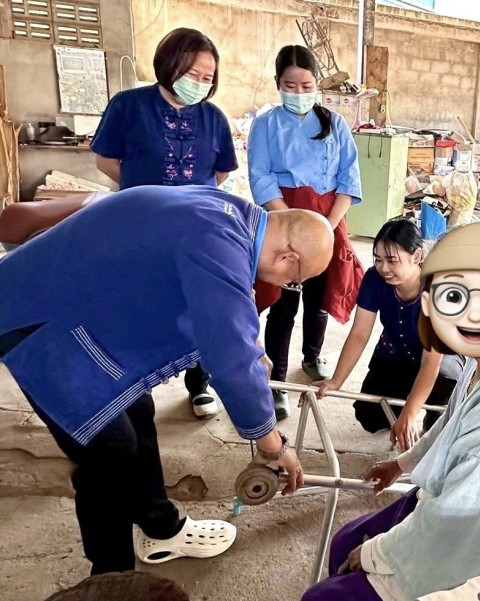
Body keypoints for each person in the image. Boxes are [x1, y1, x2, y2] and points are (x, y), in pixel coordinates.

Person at [0, 185, 333, 576]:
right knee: (109, 450)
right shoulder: (218, 242)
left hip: (67, 299)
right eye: (295, 281)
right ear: (288, 258)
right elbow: (230, 361)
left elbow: (228, 314)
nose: (289, 286)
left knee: (137, 407)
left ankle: (161, 528)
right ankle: (110, 578)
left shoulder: (229, 215)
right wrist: (273, 446)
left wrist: (248, 345)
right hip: (36, 318)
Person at [302, 223, 480, 601]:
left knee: (323, 595)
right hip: (468, 505)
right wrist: (401, 464)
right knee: (344, 543)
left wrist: (376, 553)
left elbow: (458, 525)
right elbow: (453, 421)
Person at [91, 27, 237, 419]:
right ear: (169, 64)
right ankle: (133, 389)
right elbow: (106, 159)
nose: (199, 84)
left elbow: (221, 171)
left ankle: (199, 384)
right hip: (138, 226)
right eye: (192, 74)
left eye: (207, 78)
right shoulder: (128, 106)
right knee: (138, 304)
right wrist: (144, 193)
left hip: (196, 231)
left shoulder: (213, 118)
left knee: (198, 305)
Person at [247, 44, 363, 420]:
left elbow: (348, 179)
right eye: (290, 85)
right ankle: (277, 383)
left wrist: (326, 227)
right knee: (283, 303)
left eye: (306, 85)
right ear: (278, 83)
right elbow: (261, 177)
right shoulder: (266, 124)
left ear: (317, 84)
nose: (298, 92)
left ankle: (312, 356)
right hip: (284, 220)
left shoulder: (335, 123)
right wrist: (291, 225)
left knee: (319, 296)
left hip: (330, 219)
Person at [315, 219, 464, 451]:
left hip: (439, 360)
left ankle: (432, 413)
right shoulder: (374, 278)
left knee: (440, 401)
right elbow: (359, 334)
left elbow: (430, 363)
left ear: (416, 256)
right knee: (369, 416)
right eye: (378, 259)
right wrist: (336, 381)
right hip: (396, 352)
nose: (384, 268)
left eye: (392, 260)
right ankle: (407, 399)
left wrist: (410, 413)